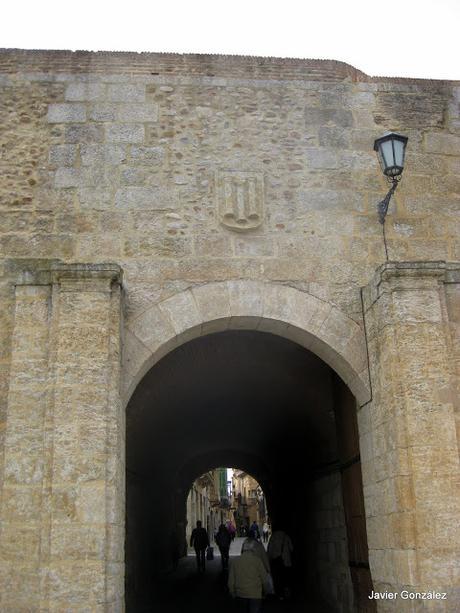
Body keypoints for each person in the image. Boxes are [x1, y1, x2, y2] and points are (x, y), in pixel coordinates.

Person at [228, 539, 268, 613]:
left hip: (240, 594)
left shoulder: (235, 561)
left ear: (242, 549)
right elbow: (265, 580)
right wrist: (265, 592)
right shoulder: (257, 560)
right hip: (255, 594)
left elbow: (231, 581)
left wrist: (233, 593)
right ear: (253, 549)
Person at [267, 528, 293, 600]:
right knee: (286, 577)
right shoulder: (286, 536)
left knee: (278, 578)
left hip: (277, 561)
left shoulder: (273, 537)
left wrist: (269, 559)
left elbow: (270, 549)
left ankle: (280, 594)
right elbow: (291, 548)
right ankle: (287, 592)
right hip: (286, 562)